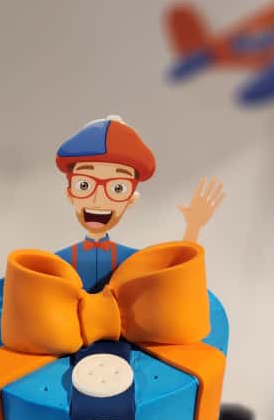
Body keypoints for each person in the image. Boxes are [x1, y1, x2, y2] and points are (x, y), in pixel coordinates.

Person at [55, 115, 224, 291]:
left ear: (131, 199)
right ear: (70, 192)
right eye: (84, 185)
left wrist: (193, 228)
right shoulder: (57, 263)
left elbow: (175, 283)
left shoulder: (135, 261)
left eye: (117, 188)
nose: (98, 199)